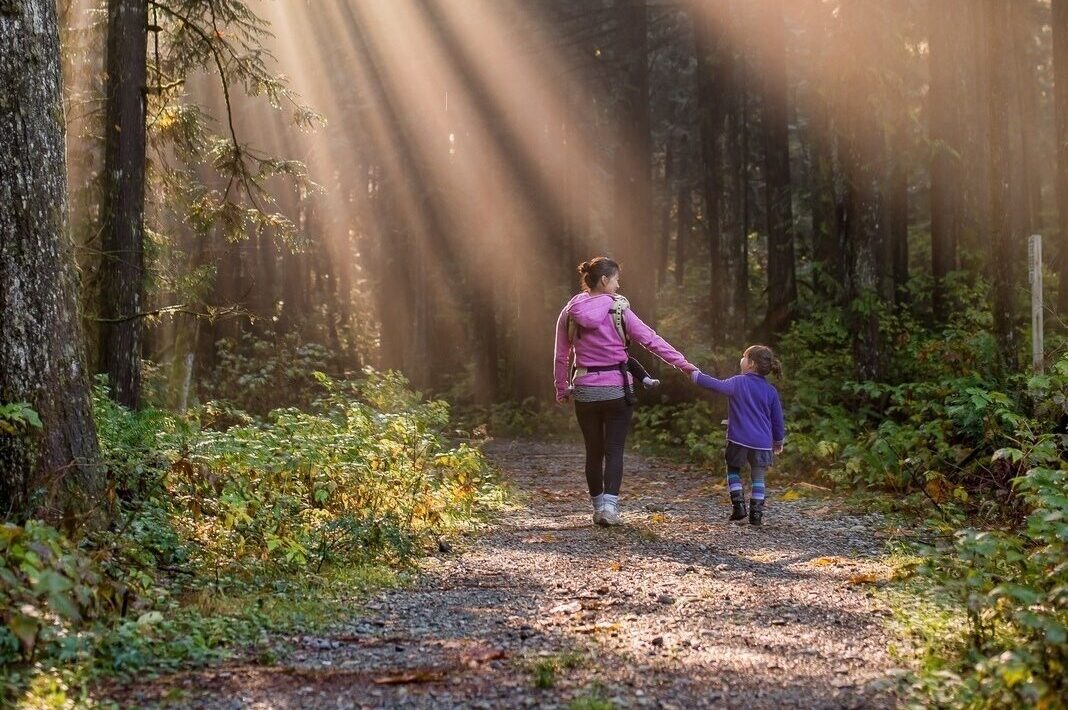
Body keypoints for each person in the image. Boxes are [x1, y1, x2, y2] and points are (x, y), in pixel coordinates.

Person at [554, 257, 696, 526]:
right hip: (617, 389)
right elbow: (652, 340)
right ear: (605, 280)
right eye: (616, 279)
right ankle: (610, 508)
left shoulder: (570, 311)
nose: (618, 285)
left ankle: (597, 509)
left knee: (593, 451)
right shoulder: (619, 310)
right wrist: (684, 365)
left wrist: (562, 388)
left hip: (584, 389)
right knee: (614, 450)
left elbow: (561, 355)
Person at [690, 345, 785, 526]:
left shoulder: (738, 382)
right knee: (758, 476)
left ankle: (739, 506)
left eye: (744, 356)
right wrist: (778, 441)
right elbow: (777, 420)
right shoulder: (771, 391)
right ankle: (756, 514)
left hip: (739, 439)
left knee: (733, 469)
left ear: (751, 364)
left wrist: (695, 375)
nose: (741, 360)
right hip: (763, 443)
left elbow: (715, 385)